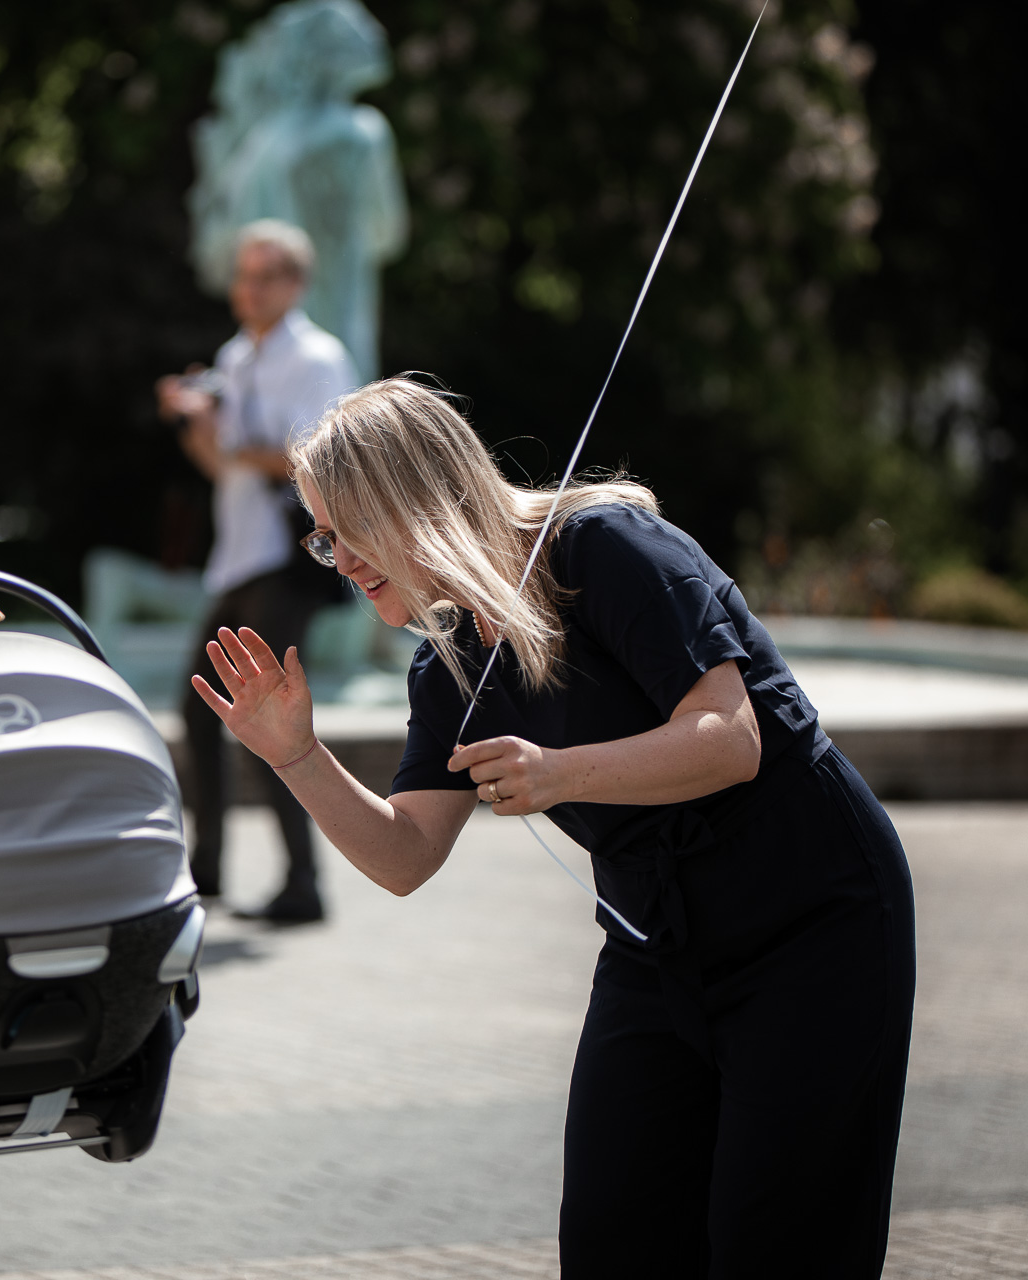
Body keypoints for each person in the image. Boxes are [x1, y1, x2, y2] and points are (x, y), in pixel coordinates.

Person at [191, 379, 916, 1275]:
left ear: (409, 495)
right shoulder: (446, 663)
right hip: (656, 945)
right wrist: (294, 754)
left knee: (777, 1242)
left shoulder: (605, 546)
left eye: (342, 529)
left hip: (812, 922)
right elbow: (406, 854)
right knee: (615, 1239)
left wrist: (558, 772)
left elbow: (731, 741)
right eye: (320, 536)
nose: (332, 558)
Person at [157, 219, 358, 923]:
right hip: (238, 557)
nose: (249, 288)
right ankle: (207, 869)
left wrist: (235, 436)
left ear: (297, 284)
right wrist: (199, 429)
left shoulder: (317, 357)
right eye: (243, 274)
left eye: (265, 274)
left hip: (288, 558)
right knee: (197, 709)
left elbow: (317, 460)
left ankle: (302, 884)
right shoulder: (235, 355)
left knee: (266, 714)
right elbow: (225, 468)